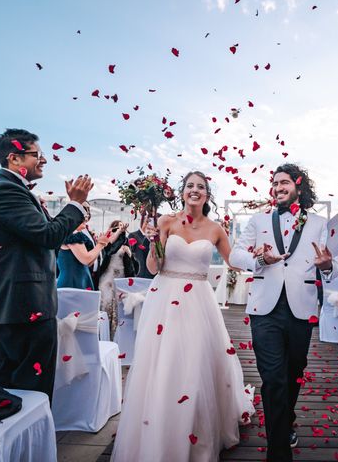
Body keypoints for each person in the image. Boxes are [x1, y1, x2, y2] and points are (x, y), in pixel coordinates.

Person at [112, 171, 254, 462]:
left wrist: (262, 259)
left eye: (201, 187)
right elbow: (153, 267)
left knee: (196, 360)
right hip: (164, 298)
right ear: (182, 192)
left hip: (199, 301)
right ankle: (161, 425)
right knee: (165, 360)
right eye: (190, 185)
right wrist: (154, 242)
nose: (195, 190)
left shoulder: (216, 229)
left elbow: (234, 262)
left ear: (207, 194)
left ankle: (196, 427)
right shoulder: (165, 222)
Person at [230, 163, 338, 462]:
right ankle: (278, 452)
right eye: (275, 183)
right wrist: (259, 259)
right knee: (273, 378)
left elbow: (336, 262)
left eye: (284, 182)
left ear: (298, 185)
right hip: (264, 308)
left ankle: (287, 416)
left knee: (294, 372)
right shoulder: (258, 219)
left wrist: (328, 265)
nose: (278, 187)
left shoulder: (319, 222)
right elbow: (236, 254)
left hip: (301, 308)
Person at [0, 128, 92, 403]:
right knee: (28, 386)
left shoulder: (11, 189)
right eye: (37, 154)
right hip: (21, 303)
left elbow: (48, 234)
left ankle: (13, 440)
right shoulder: (5, 189)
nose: (44, 160)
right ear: (14, 159)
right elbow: (48, 236)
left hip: (19, 302)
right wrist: (75, 204)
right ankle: (20, 440)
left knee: (12, 381)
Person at [97, 220, 137, 338]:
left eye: (122, 227)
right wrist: (119, 233)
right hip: (108, 278)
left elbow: (133, 266)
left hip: (120, 278)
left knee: (118, 310)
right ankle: (103, 335)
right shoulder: (108, 239)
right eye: (118, 227)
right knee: (107, 305)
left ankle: (116, 337)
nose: (121, 228)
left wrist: (129, 254)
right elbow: (110, 250)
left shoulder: (125, 243)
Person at [56, 203, 110, 290]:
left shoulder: (76, 233)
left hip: (82, 279)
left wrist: (101, 244)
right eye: (84, 211)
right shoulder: (71, 233)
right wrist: (101, 244)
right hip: (72, 282)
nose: (87, 214)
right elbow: (86, 259)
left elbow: (89, 262)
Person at [129, 210, 155, 279]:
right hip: (140, 273)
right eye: (147, 222)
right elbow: (134, 252)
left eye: (151, 222)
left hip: (152, 273)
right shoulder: (133, 235)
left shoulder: (155, 237)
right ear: (142, 221)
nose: (149, 224)